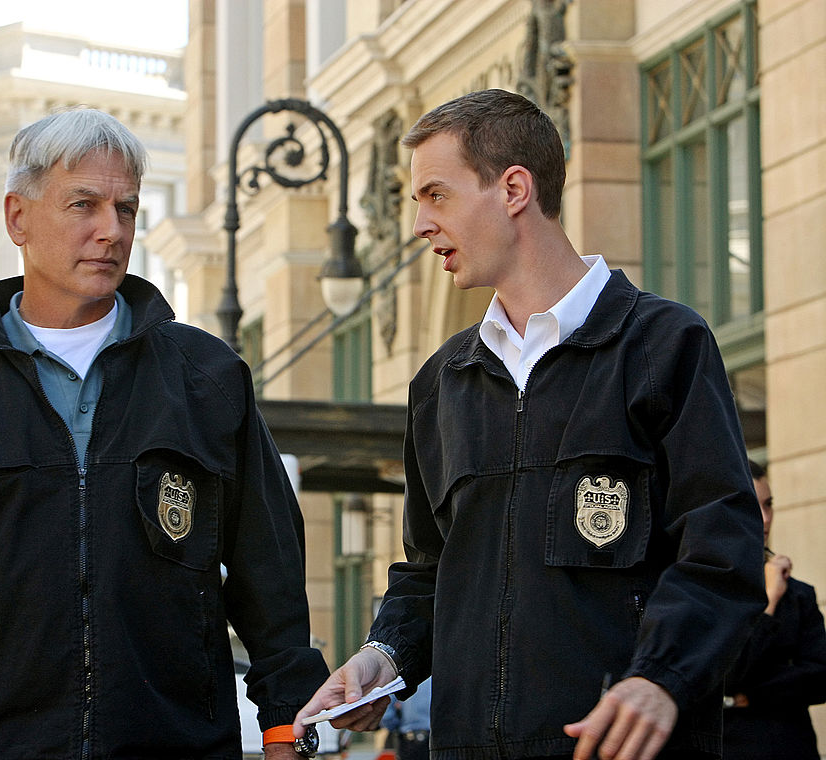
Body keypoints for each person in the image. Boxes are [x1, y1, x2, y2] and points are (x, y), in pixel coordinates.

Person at [0, 107, 329, 759]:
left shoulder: (209, 380)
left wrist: (287, 727)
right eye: (83, 204)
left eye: (126, 209)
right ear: (18, 217)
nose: (110, 230)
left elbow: (274, 583)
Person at [293, 88, 767, 760]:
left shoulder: (664, 347)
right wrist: (382, 657)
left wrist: (662, 678)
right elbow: (430, 570)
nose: (422, 223)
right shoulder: (442, 382)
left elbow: (724, 548)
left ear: (514, 187)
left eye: (437, 194)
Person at [722, 460, 826, 759]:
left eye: (769, 505)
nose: (765, 519)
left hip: (790, 747)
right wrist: (769, 601)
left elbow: (820, 679)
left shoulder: (798, 594)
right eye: (753, 507)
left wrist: (750, 695)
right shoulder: (703, 593)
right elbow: (728, 675)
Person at [381, 677, 431, 760]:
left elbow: (387, 715)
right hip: (439, 741)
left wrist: (396, 726)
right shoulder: (442, 672)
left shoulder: (405, 674)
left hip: (409, 741)